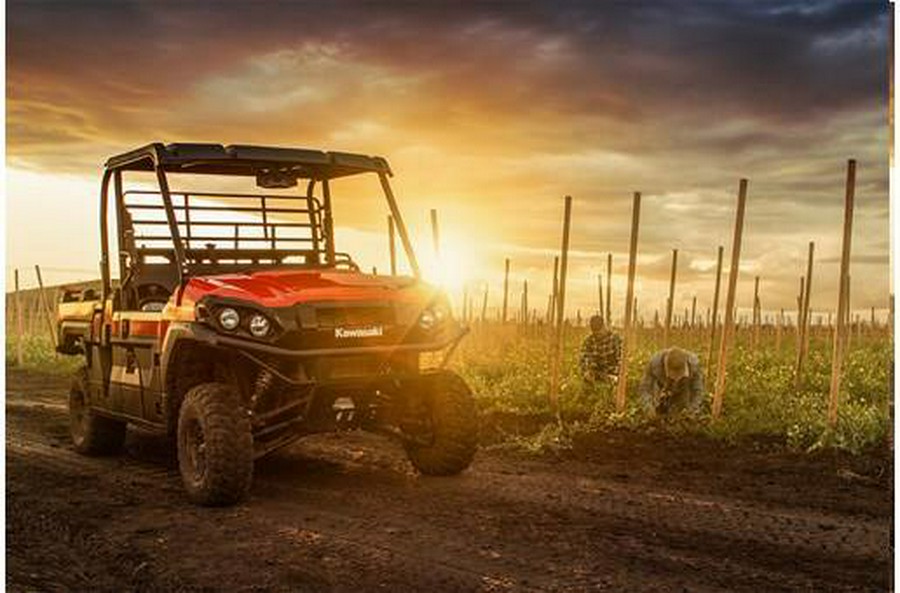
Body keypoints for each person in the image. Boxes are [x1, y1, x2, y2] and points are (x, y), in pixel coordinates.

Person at [638, 347, 705, 416]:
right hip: (662, 388)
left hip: (684, 391)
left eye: (680, 376)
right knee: (659, 411)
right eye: (673, 377)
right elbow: (645, 388)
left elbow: (698, 391)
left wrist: (692, 410)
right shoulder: (654, 364)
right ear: (666, 369)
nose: (676, 380)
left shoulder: (694, 364)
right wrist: (648, 408)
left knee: (682, 414)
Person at [579, 314, 622, 384]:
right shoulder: (589, 340)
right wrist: (586, 372)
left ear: (604, 326)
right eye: (595, 333)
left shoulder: (615, 339)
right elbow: (584, 359)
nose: (597, 335)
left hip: (612, 374)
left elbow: (621, 360)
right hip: (596, 375)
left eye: (599, 332)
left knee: (614, 383)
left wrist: (616, 375)